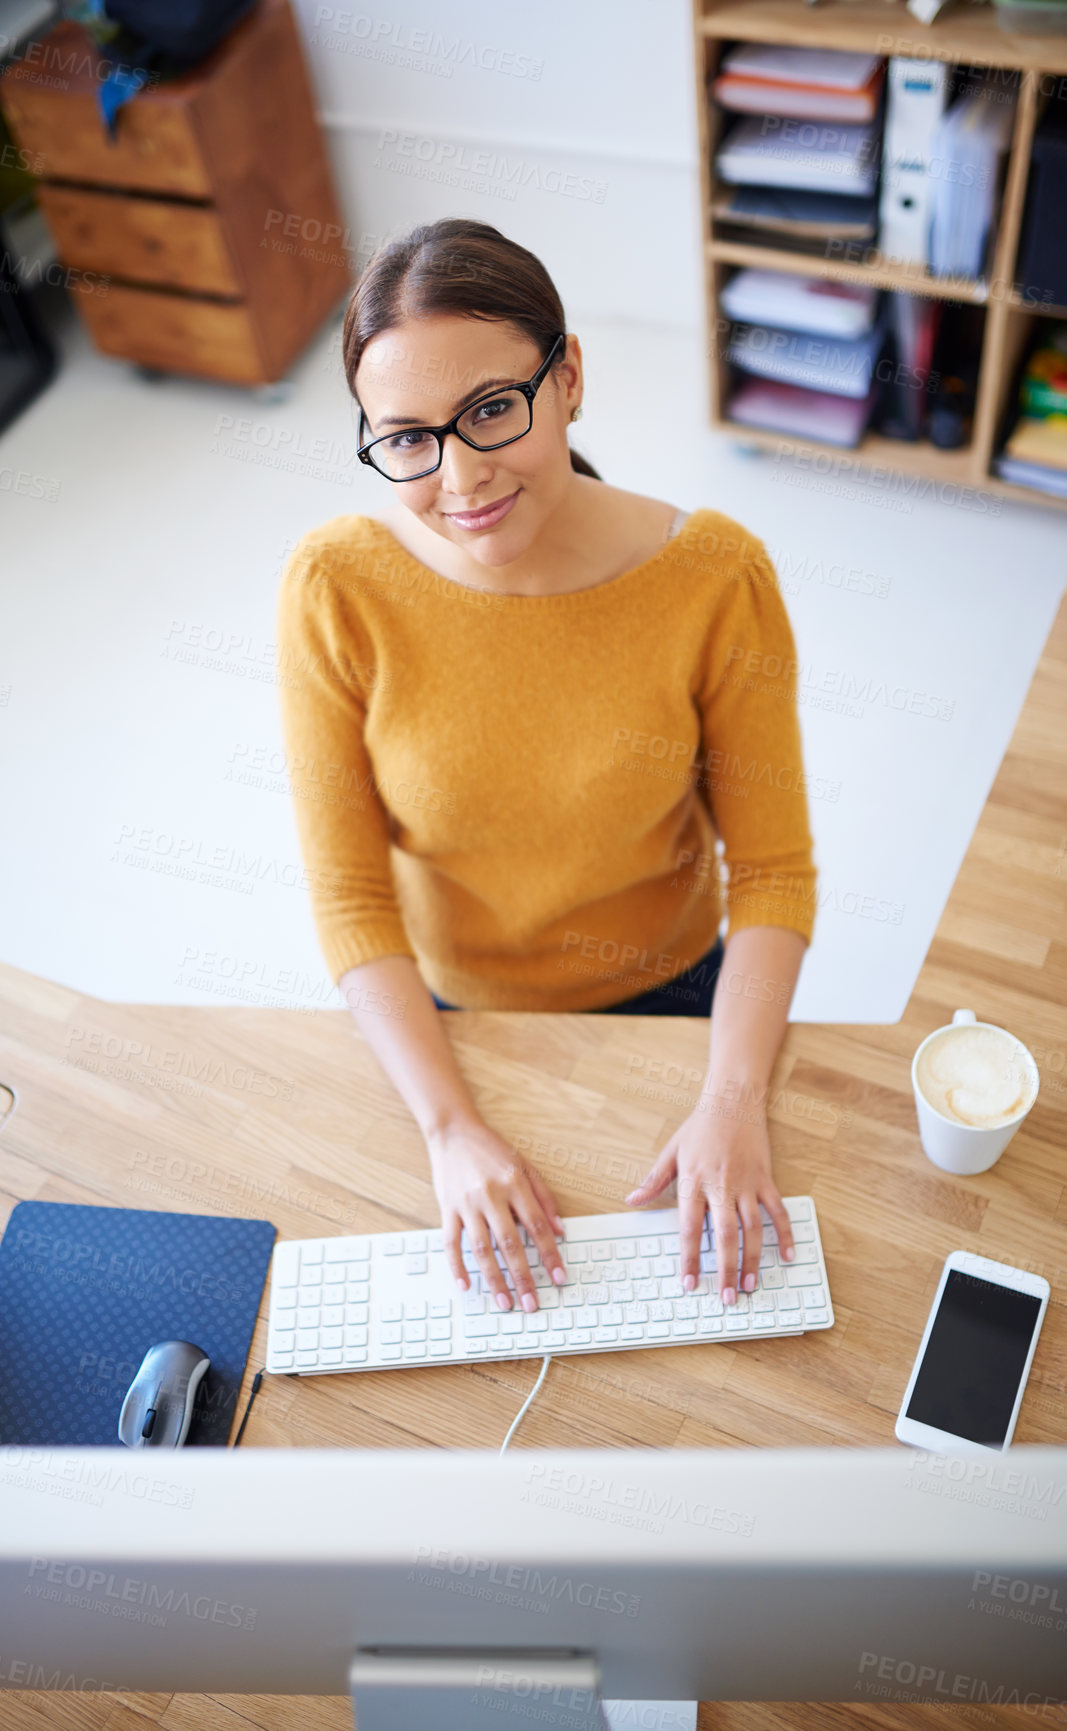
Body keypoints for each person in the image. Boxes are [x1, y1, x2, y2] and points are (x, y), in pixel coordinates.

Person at [276, 218, 817, 1323]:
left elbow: (773, 872)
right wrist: (448, 1128)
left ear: (566, 376)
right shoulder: (337, 586)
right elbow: (347, 893)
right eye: (408, 440)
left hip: (674, 1000)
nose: (461, 477)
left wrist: (732, 1097)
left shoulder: (716, 577)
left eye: (490, 410)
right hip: (447, 1015)